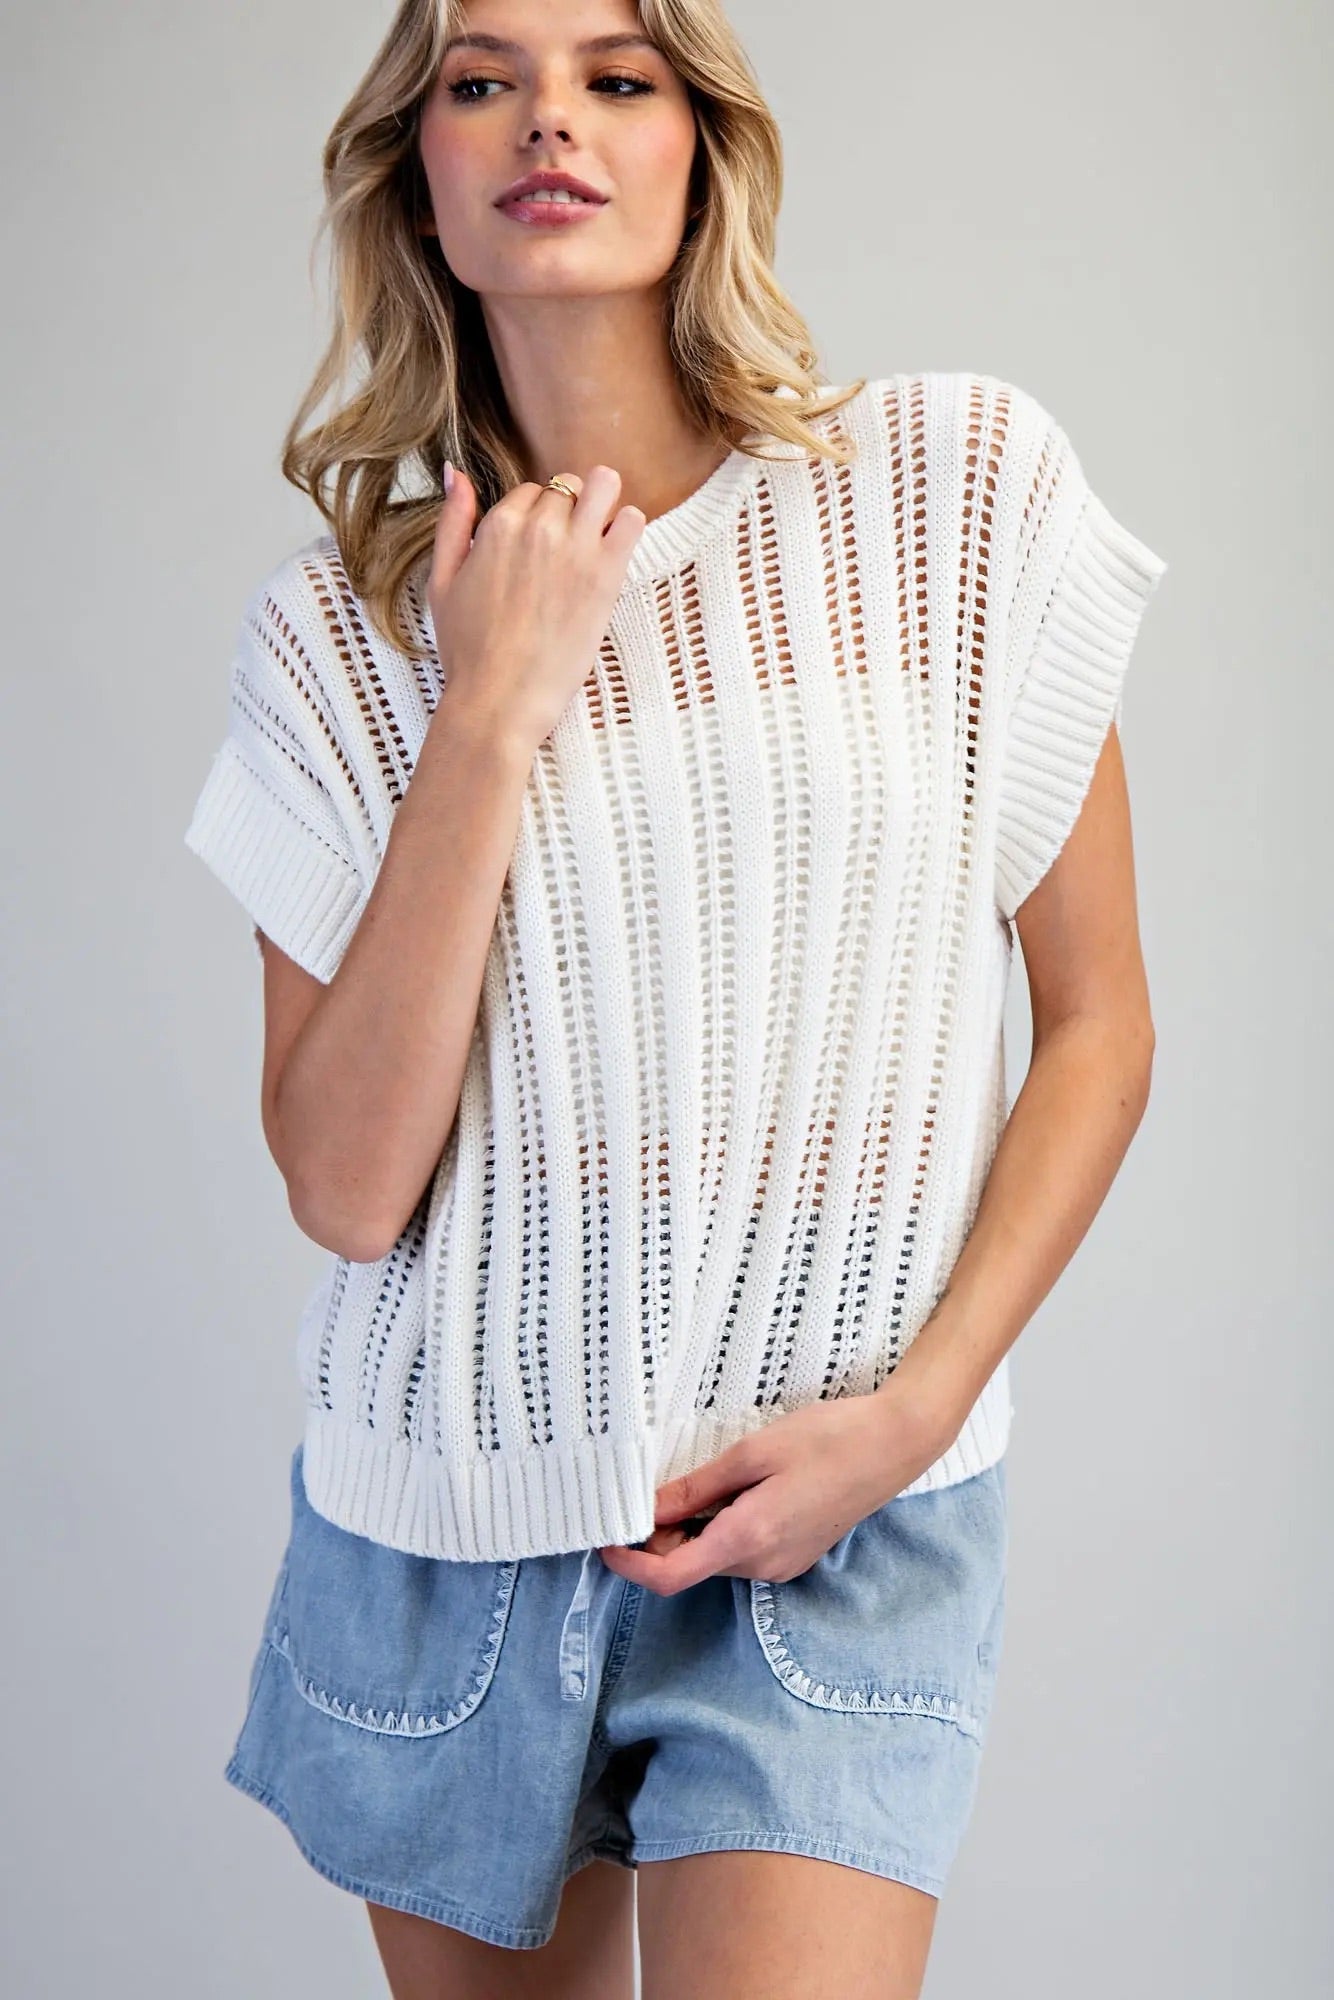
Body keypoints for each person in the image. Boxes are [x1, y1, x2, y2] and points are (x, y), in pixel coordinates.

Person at [183, 1, 1169, 1994]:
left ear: (698, 147)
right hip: (446, 1540)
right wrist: (488, 706)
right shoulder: (335, 638)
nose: (548, 118)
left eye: (616, 77)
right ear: (419, 182)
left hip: (840, 1524)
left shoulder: (948, 496)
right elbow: (348, 1186)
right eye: (482, 81)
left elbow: (1096, 1023)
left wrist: (909, 1416)